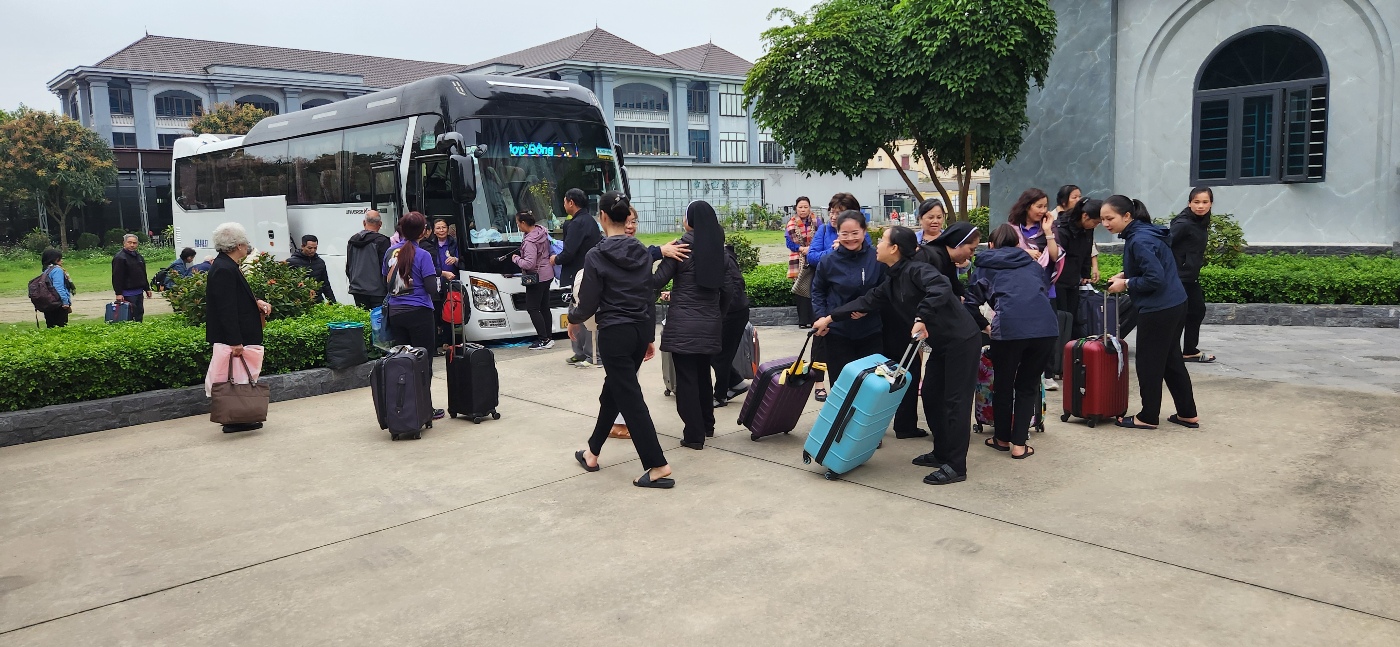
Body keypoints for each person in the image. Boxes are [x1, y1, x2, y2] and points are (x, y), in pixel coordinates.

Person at [813, 226, 981, 485]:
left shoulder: (917, 269)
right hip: (942, 345)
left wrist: (921, 316)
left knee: (955, 403)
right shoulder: (893, 279)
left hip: (962, 341)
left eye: (882, 240)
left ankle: (956, 466)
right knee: (931, 396)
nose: (877, 244)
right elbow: (866, 301)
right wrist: (829, 318)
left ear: (894, 248)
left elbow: (941, 286)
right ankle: (942, 452)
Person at [570, 191, 673, 489]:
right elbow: (647, 294)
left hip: (615, 333)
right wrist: (648, 336)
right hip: (639, 330)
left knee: (629, 398)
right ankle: (592, 453)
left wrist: (573, 319)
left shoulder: (596, 255)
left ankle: (658, 465)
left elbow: (588, 302)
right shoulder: (641, 251)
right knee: (613, 392)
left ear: (602, 217)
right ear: (627, 217)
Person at [1102, 195, 1200, 430]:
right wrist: (1126, 274)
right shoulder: (1147, 232)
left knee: (1149, 364)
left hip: (1159, 309)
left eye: (1110, 218)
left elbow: (1154, 278)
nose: (1105, 224)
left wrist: (1126, 284)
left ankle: (1147, 416)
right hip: (1176, 303)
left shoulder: (1139, 240)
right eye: (1102, 219)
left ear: (1127, 216)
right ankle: (1187, 413)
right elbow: (1156, 266)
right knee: (1171, 360)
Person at [967, 224, 1060, 460]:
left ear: (991, 245)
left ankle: (1001, 439)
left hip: (1009, 330)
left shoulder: (984, 265)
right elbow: (1041, 291)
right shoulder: (1032, 264)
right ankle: (1019, 446)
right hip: (1045, 328)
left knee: (1004, 385)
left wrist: (985, 326)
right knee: (1028, 386)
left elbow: (970, 303)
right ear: (1018, 245)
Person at [652, 200, 729, 450]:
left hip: (683, 327)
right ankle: (707, 425)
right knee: (703, 375)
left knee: (686, 381)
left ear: (690, 221)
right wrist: (717, 316)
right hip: (709, 324)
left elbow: (656, 281)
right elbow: (729, 291)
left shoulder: (680, 248)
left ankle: (694, 436)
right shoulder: (720, 251)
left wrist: (658, 255)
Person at [906, 222, 989, 441]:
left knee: (955, 399)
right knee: (932, 392)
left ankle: (952, 453)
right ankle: (942, 445)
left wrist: (982, 323)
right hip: (942, 339)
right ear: (957, 243)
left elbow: (957, 293)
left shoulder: (943, 260)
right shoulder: (930, 257)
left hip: (958, 339)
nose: (971, 255)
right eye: (971, 249)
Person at [810, 210, 885, 409]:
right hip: (838, 332)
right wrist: (821, 317)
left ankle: (867, 425)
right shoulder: (828, 261)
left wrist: (869, 308)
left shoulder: (876, 258)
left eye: (855, 233)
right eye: (844, 233)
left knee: (871, 384)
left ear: (864, 231)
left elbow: (885, 290)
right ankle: (842, 423)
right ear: (837, 233)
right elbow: (818, 291)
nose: (850, 238)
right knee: (841, 384)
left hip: (870, 331)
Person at [205, 223, 273, 434]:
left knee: (239, 377)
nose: (247, 246)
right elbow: (226, 308)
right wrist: (235, 341)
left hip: (239, 335)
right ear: (238, 246)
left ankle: (238, 417)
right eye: (245, 242)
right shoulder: (224, 269)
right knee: (235, 379)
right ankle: (235, 418)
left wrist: (256, 301)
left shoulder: (226, 265)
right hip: (235, 338)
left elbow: (234, 297)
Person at [382, 212, 448, 421]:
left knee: (402, 361)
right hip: (419, 312)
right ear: (423, 232)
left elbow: (385, 281)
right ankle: (425, 407)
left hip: (395, 312)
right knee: (422, 362)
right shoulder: (423, 255)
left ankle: (405, 407)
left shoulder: (390, 252)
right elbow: (431, 287)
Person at [806, 193, 865, 402]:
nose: (833, 216)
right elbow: (812, 256)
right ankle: (818, 382)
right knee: (820, 339)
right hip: (827, 297)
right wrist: (834, 254)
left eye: (839, 212)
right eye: (831, 212)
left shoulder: (860, 235)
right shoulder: (824, 230)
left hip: (853, 302)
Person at [1008, 188, 1061, 391]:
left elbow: (1055, 256)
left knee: (1047, 332)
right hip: (1020, 289)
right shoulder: (1013, 229)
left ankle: (1048, 374)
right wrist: (1024, 252)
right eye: (1039, 206)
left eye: (1045, 206)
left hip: (1045, 288)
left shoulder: (1049, 228)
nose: (1043, 210)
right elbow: (1003, 252)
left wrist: (1048, 231)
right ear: (1026, 206)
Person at [553, 187, 603, 367]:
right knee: (575, 312)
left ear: (571, 203)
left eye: (565, 201)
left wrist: (555, 259)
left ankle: (592, 355)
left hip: (582, 276)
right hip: (586, 273)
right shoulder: (589, 220)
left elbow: (569, 252)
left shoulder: (577, 223)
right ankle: (580, 352)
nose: (564, 204)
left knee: (586, 314)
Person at [1172, 187, 1215, 363]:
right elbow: (1164, 244)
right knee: (1179, 314)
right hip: (1178, 276)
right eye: (1196, 202)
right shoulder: (1183, 224)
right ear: (1189, 203)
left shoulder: (1201, 222)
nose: (1200, 206)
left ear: (1211, 204)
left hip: (1190, 276)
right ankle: (1172, 352)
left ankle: (1189, 350)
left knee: (1196, 310)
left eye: (1205, 202)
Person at [711, 239, 752, 407]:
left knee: (719, 355)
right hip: (729, 312)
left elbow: (737, 284)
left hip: (733, 313)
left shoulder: (724, 256)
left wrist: (724, 307)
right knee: (716, 353)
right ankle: (736, 383)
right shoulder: (716, 255)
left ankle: (720, 396)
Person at [512, 211, 556, 350]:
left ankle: (543, 339)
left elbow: (529, 264)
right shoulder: (542, 232)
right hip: (547, 274)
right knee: (544, 307)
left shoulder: (530, 241)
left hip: (536, 278)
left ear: (524, 223)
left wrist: (516, 259)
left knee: (532, 308)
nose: (518, 226)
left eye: (518, 223)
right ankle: (549, 337)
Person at [1053, 197, 1103, 321]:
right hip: (1058, 279)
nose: (1096, 226)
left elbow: (1087, 250)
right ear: (1085, 216)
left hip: (1074, 279)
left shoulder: (1088, 228)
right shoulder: (1062, 228)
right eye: (1096, 222)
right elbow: (1057, 257)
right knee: (1061, 315)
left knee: (1072, 315)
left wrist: (1086, 273)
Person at [420, 219, 459, 352]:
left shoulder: (454, 243)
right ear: (433, 231)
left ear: (448, 229)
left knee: (449, 311)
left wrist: (456, 259)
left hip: (451, 282)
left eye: (444, 227)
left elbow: (462, 261)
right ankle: (438, 342)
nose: (441, 230)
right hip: (435, 282)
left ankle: (449, 342)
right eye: (438, 228)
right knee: (436, 313)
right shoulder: (430, 245)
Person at [785, 196, 820, 327]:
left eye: (806, 207)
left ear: (809, 208)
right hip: (798, 258)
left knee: (814, 287)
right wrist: (801, 249)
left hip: (814, 256)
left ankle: (814, 319)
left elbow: (821, 237)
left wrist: (811, 249)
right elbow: (789, 243)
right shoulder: (791, 224)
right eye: (800, 207)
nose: (803, 209)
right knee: (800, 287)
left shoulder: (817, 222)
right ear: (796, 208)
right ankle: (803, 321)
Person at [347, 210, 392, 309]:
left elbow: (349, 266)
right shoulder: (383, 241)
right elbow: (385, 268)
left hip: (357, 289)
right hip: (378, 291)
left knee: (362, 317)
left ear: (364, 222)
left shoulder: (352, 240)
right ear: (380, 224)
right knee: (377, 317)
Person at [111, 234, 151, 322]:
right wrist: (118, 293)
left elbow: (143, 273)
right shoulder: (120, 258)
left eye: (134, 243)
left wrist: (147, 288)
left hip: (139, 291)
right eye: (129, 242)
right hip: (128, 293)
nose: (132, 245)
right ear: (124, 243)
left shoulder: (138, 256)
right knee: (129, 315)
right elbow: (117, 277)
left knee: (139, 313)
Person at [287, 235, 337, 304]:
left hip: (318, 300)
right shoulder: (291, 262)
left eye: (315, 248)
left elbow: (325, 284)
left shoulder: (320, 262)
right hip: (300, 302)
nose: (313, 250)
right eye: (310, 248)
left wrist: (333, 303)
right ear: (302, 246)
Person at [39, 249, 74, 328]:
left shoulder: (46, 270)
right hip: (58, 303)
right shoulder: (57, 270)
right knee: (61, 327)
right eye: (59, 259)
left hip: (48, 303)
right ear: (54, 259)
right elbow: (58, 287)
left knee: (51, 327)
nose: (62, 261)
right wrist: (65, 302)